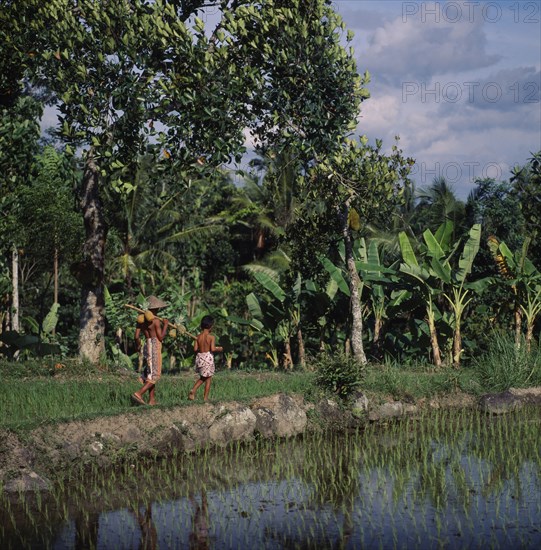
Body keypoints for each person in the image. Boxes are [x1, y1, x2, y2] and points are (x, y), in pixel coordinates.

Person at [132, 295, 169, 406]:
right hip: (154, 345)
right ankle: (138, 393)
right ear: (155, 309)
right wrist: (166, 325)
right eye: (157, 309)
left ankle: (151, 400)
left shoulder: (141, 320)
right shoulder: (156, 322)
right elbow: (161, 337)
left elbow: (136, 336)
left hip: (147, 345)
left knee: (150, 373)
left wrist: (138, 345)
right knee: (155, 375)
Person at [188, 315, 223, 402]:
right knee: (208, 379)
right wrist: (219, 348)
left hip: (200, 357)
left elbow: (195, 349)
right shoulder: (211, 337)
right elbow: (213, 349)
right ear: (210, 326)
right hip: (208, 358)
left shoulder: (198, 337)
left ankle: (195, 391)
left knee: (204, 377)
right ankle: (204, 397)